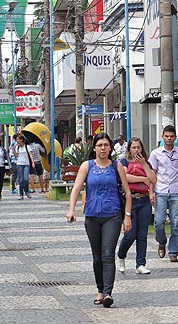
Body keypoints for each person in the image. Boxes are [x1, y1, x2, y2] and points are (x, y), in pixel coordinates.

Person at [66, 132, 132, 308]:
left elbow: (127, 192)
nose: (103, 148)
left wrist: (127, 216)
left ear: (110, 147)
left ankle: (109, 293)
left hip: (113, 215)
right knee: (97, 257)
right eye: (99, 145)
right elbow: (76, 188)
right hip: (92, 216)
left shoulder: (117, 166)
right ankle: (100, 290)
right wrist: (71, 209)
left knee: (108, 254)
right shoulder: (87, 166)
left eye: (106, 145)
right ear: (94, 148)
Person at [116, 137, 157, 275]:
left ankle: (140, 263)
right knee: (130, 234)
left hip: (144, 200)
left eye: (138, 147)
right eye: (133, 147)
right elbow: (125, 177)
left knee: (142, 234)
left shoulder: (147, 163)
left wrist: (144, 165)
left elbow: (153, 179)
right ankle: (121, 255)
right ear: (129, 149)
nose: (136, 150)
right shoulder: (124, 162)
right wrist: (142, 179)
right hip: (130, 200)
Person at [149, 125, 178, 262]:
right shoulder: (155, 154)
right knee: (159, 221)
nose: (169, 139)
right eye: (166, 136)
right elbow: (152, 174)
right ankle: (161, 241)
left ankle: (173, 251)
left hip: (176, 191)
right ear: (162, 137)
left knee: (176, 223)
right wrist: (151, 192)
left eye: (171, 136)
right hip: (160, 190)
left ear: (175, 137)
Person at [14, 135, 32, 200]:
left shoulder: (27, 147)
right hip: (19, 164)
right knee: (21, 180)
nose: (17, 140)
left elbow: (30, 155)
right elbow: (16, 156)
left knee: (26, 178)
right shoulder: (17, 147)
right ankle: (21, 194)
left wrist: (32, 162)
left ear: (21, 140)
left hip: (26, 164)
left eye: (17, 139)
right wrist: (14, 149)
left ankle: (26, 191)